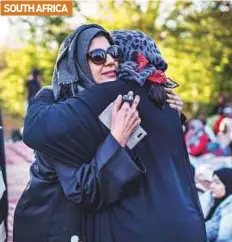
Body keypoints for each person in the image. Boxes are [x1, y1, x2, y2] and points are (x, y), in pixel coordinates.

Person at [14, 24, 206, 242]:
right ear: (77, 62)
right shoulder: (64, 116)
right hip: (52, 228)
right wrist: (116, 140)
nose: (110, 61)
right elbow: (83, 189)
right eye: (97, 56)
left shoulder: (115, 106)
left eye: (114, 53)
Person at [200, 168, 232, 242]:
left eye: (217, 183)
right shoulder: (212, 201)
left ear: (228, 185)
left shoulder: (229, 207)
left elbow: (224, 237)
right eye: (212, 182)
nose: (211, 186)